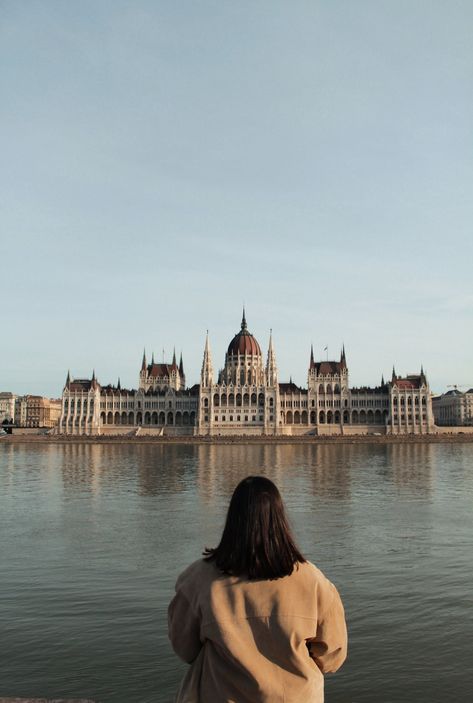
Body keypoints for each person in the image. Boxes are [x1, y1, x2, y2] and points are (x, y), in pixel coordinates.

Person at [168, 475, 347, 702]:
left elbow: (184, 648)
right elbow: (333, 655)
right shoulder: (313, 580)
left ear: (233, 520)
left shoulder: (199, 579)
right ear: (280, 519)